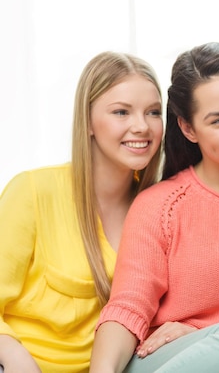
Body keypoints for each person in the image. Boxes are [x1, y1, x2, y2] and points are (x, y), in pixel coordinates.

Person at [89, 42, 219, 373]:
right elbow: (128, 306)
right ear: (188, 128)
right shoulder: (161, 205)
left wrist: (210, 337)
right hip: (159, 359)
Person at [0, 52, 164, 373]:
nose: (141, 126)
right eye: (121, 112)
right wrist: (13, 355)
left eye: (154, 112)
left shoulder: (159, 206)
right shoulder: (32, 191)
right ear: (87, 121)